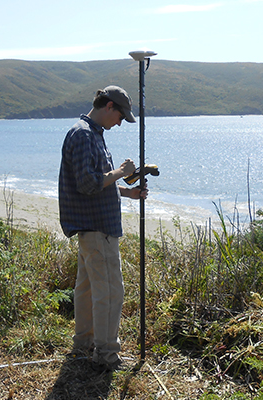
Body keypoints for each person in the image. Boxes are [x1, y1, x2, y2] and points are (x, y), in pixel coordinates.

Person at [58, 85, 148, 372]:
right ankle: (107, 354)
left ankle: (83, 345)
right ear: (109, 106)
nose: (120, 122)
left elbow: (95, 182)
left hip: (91, 229)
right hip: (98, 229)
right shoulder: (85, 135)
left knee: (85, 290)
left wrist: (126, 191)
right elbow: (87, 184)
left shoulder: (89, 133)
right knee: (110, 292)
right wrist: (122, 171)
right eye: (120, 116)